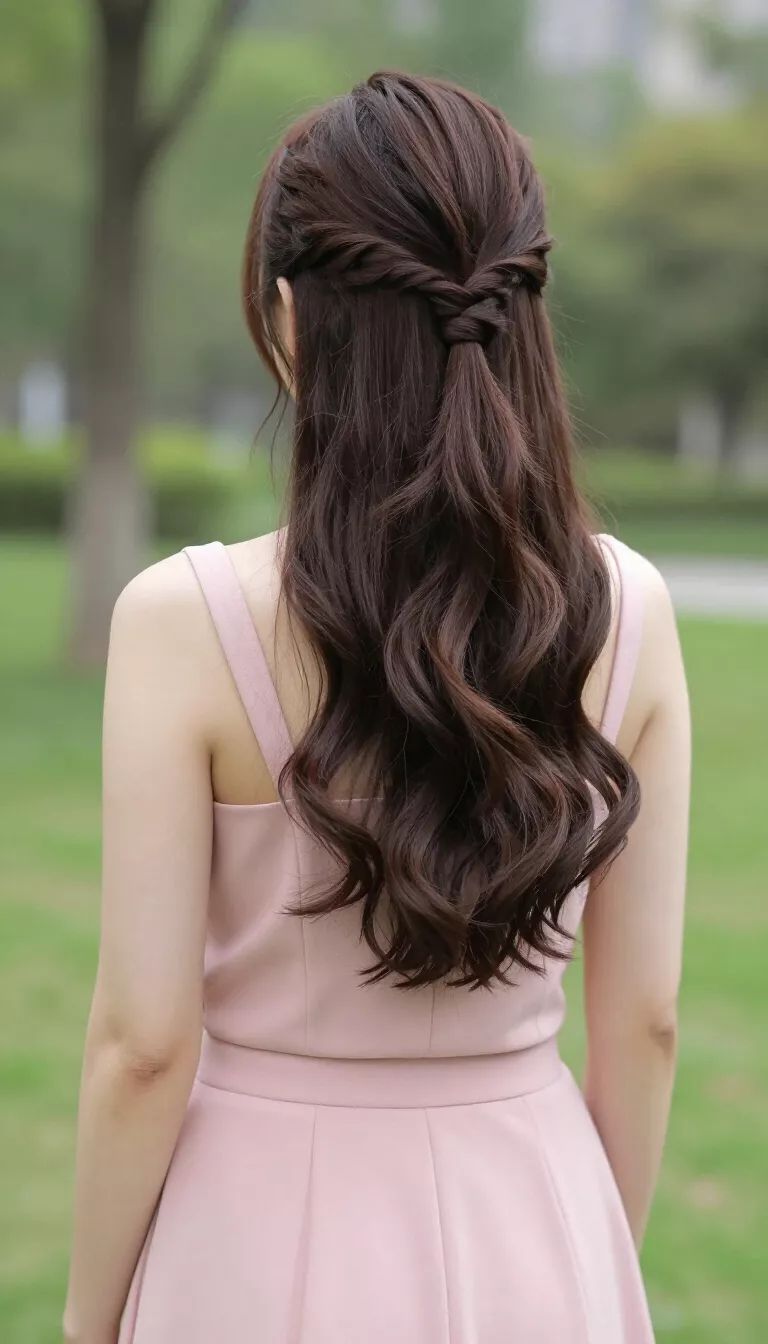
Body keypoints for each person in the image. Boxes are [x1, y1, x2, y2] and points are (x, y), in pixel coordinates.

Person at [63, 71, 690, 1344]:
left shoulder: (186, 621)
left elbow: (141, 1045)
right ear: (522, 313)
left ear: (291, 320)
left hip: (246, 1250)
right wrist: (582, 1247)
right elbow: (647, 1021)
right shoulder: (628, 611)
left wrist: (87, 1316)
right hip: (537, 1217)